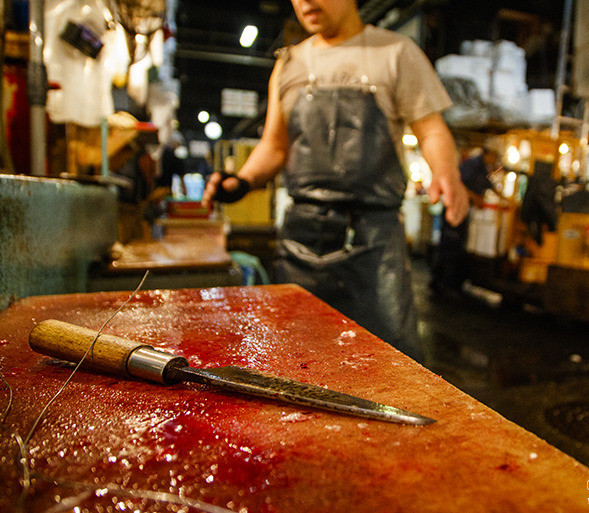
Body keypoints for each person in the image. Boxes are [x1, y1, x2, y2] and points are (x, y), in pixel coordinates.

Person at [202, 0, 468, 360]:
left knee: (388, 367)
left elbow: (431, 129)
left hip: (373, 244)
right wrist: (242, 182)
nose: (305, 2)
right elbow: (275, 146)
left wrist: (446, 172)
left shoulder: (396, 52)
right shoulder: (288, 64)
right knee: (295, 363)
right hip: (300, 239)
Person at [430, 146, 500, 299]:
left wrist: (501, 196)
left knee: (455, 248)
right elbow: (458, 184)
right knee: (449, 248)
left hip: (463, 210)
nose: (494, 160)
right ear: (488, 154)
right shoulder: (472, 165)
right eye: (494, 156)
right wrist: (475, 198)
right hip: (454, 208)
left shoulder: (482, 167)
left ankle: (443, 284)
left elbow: (489, 185)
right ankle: (441, 285)